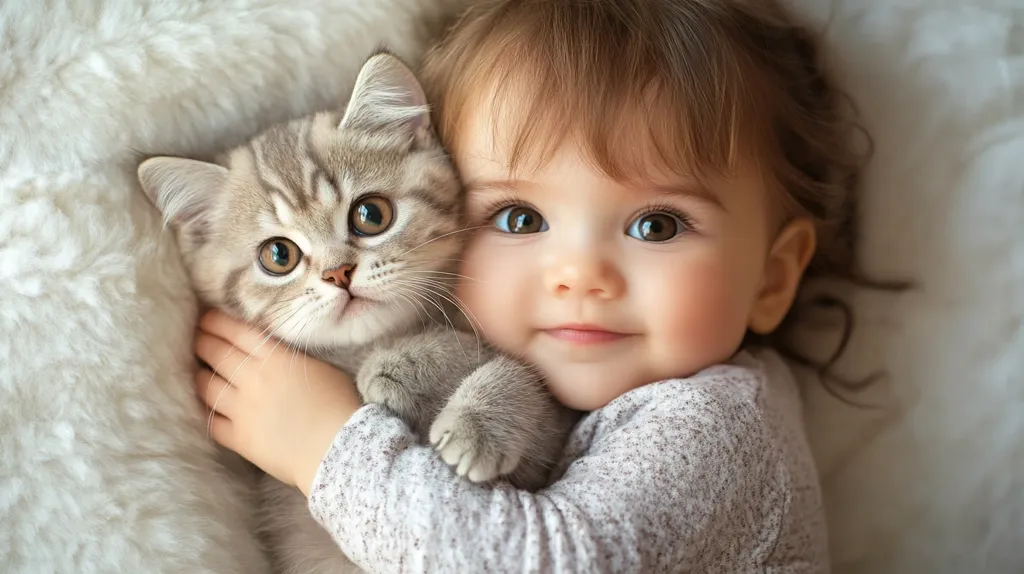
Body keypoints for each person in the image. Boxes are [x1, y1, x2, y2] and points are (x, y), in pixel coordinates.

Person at [194, 0, 868, 570]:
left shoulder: (716, 428)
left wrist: (322, 445)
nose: (579, 275)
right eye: (521, 217)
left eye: (657, 226)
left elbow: (534, 558)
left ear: (772, 279)